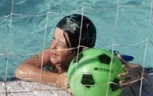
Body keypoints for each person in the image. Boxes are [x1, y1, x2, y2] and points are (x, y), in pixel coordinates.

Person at [15, 14, 145, 89]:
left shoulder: (94, 61)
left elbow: (141, 70)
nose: (53, 46)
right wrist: (58, 79)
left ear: (81, 50)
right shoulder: (50, 53)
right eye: (53, 38)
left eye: (61, 43)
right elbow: (21, 70)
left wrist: (133, 74)